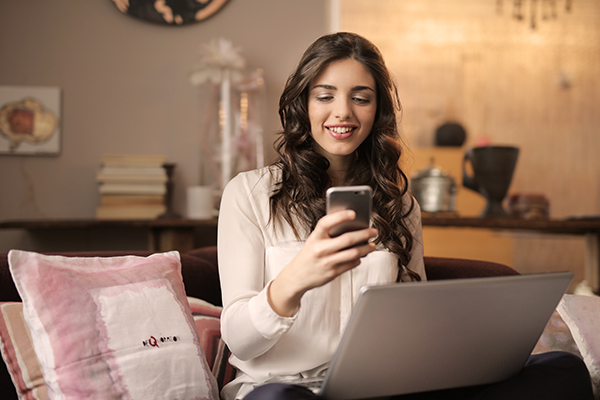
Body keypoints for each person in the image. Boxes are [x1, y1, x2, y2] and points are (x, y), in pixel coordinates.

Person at [217, 32, 593, 400]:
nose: (343, 112)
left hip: (380, 387)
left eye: (360, 98)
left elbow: (413, 321)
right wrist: (294, 281)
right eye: (325, 96)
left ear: (377, 110)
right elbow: (240, 340)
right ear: (304, 104)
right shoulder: (250, 194)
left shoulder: (400, 205)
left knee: (564, 369)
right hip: (286, 388)